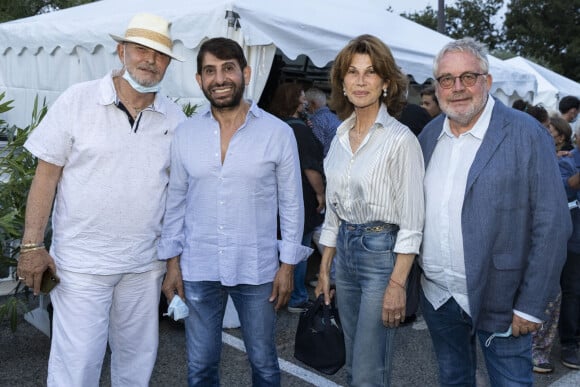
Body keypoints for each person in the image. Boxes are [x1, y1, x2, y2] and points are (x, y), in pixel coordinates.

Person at [15, 13, 186, 386]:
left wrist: (173, 264)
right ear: (121, 50)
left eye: (160, 54)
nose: (149, 60)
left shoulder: (174, 119)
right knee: (75, 368)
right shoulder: (77, 100)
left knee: (137, 364)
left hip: (145, 265)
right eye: (141, 49)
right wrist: (32, 244)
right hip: (81, 266)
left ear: (168, 64)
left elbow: (177, 199)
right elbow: (46, 177)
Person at [157, 37, 310, 386]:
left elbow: (291, 204)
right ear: (199, 80)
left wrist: (288, 266)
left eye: (228, 68)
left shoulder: (278, 133)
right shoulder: (185, 135)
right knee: (200, 367)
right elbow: (175, 202)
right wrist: (172, 264)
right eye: (209, 71)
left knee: (265, 365)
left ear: (245, 72)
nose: (219, 78)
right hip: (199, 266)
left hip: (257, 269)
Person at [418, 37, 571, 386]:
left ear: (487, 81)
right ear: (438, 86)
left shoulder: (525, 132)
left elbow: (553, 223)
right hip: (439, 295)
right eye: (446, 79)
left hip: (502, 297)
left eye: (468, 77)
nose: (457, 88)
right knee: (454, 377)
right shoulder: (428, 136)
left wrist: (531, 304)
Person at [315, 34, 425, 386]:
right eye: (352, 72)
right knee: (353, 362)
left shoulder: (400, 139)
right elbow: (333, 212)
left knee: (368, 369)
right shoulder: (339, 137)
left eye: (370, 72)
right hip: (344, 253)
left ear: (386, 83)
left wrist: (397, 283)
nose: (361, 80)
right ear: (342, 83)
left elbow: (412, 221)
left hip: (381, 255)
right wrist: (324, 269)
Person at [269, 83, 325, 313]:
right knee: (299, 246)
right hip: (302, 197)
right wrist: (321, 193)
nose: (305, 102)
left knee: (282, 246)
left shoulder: (274, 127)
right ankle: (297, 297)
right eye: (301, 97)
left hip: (278, 198)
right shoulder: (299, 130)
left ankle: (279, 292)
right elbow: (310, 168)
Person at [555, 119, 580, 370]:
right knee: (572, 292)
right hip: (574, 239)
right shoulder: (567, 161)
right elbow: (564, 189)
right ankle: (568, 344)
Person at [304, 87, 342, 156]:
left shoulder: (316, 120)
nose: (305, 107)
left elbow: (316, 148)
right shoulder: (336, 118)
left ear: (313, 104)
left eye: (306, 104)